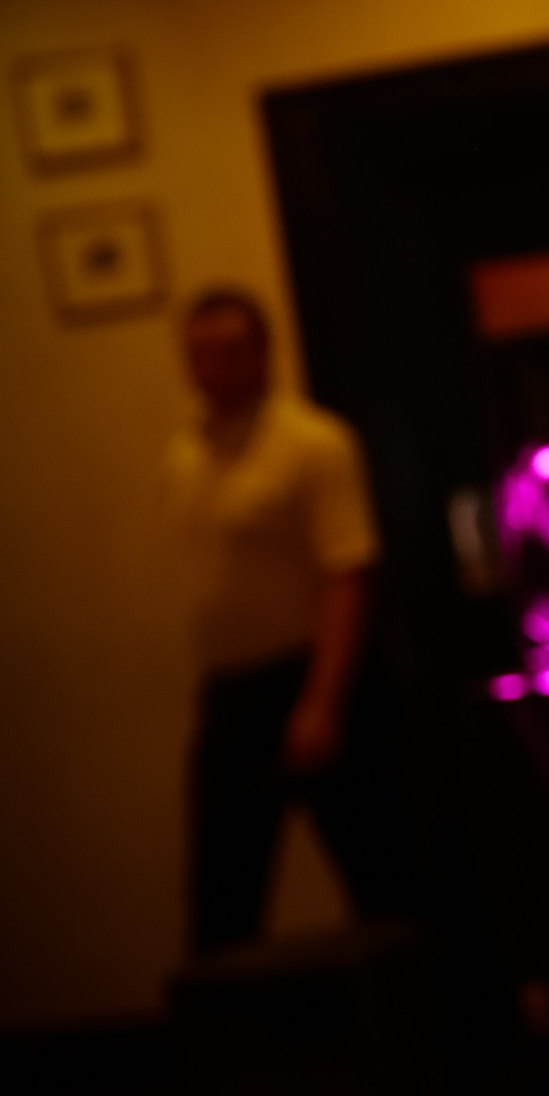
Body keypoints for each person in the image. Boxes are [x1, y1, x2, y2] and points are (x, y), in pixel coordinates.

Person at [164, 286, 399, 951]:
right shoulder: (186, 451)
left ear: (262, 353)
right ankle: (234, 1051)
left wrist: (321, 702)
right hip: (231, 695)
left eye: (230, 351)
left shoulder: (313, 443)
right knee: (221, 892)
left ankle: (423, 1037)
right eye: (201, 353)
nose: (214, 367)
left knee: (378, 871)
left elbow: (346, 571)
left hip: (307, 680)